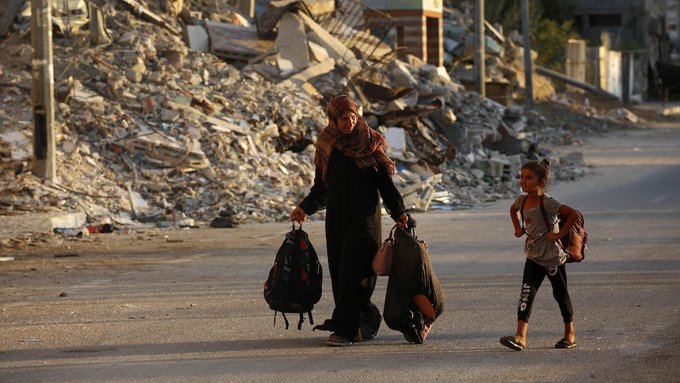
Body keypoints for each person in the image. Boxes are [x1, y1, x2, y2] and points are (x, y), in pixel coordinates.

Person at [290, 95, 425, 347]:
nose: (349, 122)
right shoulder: (327, 143)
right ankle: (365, 321)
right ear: (334, 118)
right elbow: (321, 187)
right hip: (338, 220)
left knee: (356, 273)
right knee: (342, 274)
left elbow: (386, 185)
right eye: (343, 118)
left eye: (353, 117)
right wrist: (304, 208)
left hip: (365, 221)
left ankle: (344, 329)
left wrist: (399, 213)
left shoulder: (370, 142)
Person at [500, 159, 579, 351]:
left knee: (560, 294)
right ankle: (520, 337)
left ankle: (570, 334)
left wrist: (559, 234)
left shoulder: (549, 203)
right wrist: (517, 228)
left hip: (552, 258)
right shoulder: (522, 200)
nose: (523, 181)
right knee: (526, 294)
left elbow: (574, 215)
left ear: (541, 183)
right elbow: (513, 210)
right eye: (521, 177)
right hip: (533, 257)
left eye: (528, 178)